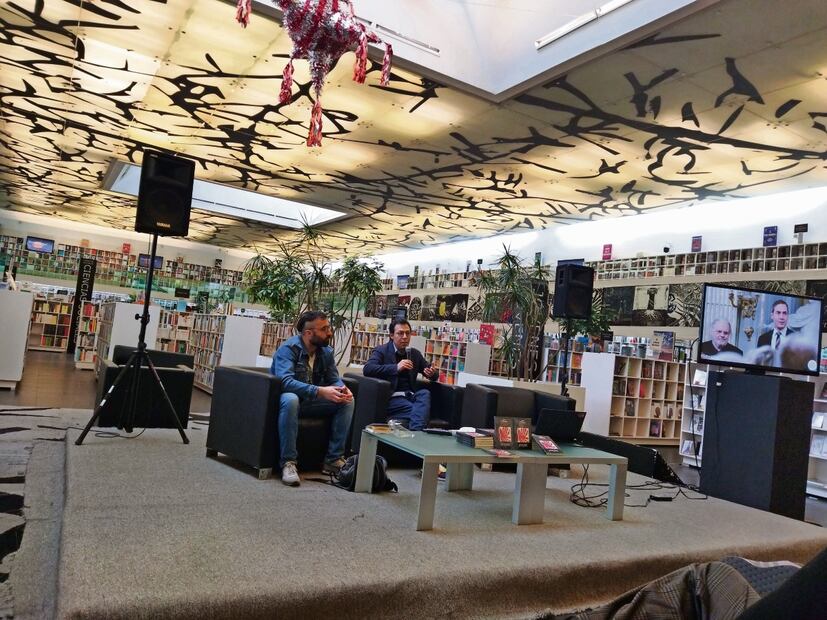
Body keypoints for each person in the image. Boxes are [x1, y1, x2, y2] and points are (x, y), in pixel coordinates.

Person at [271, 311, 354, 487]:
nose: (330, 332)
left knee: (346, 401)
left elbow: (333, 378)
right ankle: (288, 462)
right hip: (288, 400)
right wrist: (319, 391)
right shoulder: (288, 349)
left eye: (329, 327)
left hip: (312, 400)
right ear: (309, 333)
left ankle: (333, 459)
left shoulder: (325, 352)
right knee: (291, 399)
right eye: (324, 329)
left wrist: (343, 389)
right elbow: (285, 382)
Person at [363, 318, 437, 431]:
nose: (405, 337)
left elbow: (432, 374)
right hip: (392, 397)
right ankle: (417, 432)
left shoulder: (414, 354)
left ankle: (414, 426)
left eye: (407, 333)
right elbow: (368, 369)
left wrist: (431, 373)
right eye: (400, 333)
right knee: (417, 410)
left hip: (411, 396)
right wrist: (396, 367)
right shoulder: (381, 351)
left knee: (425, 393)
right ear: (392, 335)